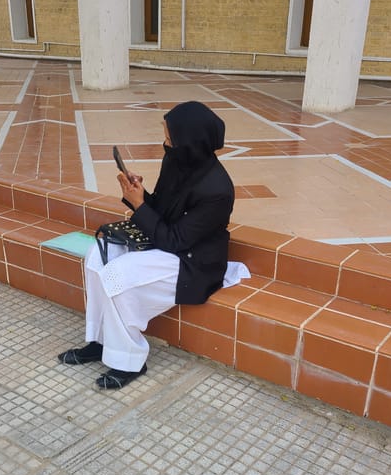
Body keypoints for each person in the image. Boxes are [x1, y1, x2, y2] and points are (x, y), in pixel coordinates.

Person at [58, 100, 249, 389]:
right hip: (166, 243)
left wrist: (139, 207)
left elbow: (176, 240)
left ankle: (129, 360)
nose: (165, 140)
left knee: (118, 273)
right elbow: (163, 209)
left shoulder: (218, 190)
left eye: (170, 135)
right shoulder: (176, 159)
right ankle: (101, 341)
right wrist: (139, 195)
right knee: (97, 254)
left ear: (188, 140)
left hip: (192, 261)